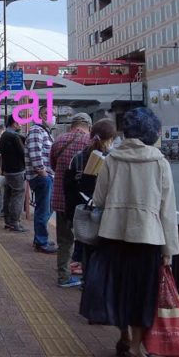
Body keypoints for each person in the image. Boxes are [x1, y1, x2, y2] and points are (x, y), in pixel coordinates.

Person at [79, 108, 178, 357]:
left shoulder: (113, 159)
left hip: (113, 233)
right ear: (150, 133)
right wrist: (169, 249)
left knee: (119, 287)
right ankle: (136, 348)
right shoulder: (159, 162)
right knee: (143, 293)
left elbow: (98, 200)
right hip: (147, 236)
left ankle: (123, 337)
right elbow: (167, 210)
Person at [64, 118, 116, 279]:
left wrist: (70, 214)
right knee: (103, 255)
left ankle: (87, 282)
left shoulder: (78, 157)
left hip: (82, 213)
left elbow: (69, 188)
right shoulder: (114, 160)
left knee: (86, 248)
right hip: (106, 215)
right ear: (110, 139)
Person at [49, 113, 92, 287]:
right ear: (88, 126)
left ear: (72, 125)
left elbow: (52, 165)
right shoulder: (90, 142)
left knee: (64, 241)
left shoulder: (59, 141)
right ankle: (87, 280)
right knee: (87, 241)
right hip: (84, 202)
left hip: (61, 198)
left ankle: (63, 276)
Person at [25, 117, 56, 252]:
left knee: (47, 208)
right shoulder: (36, 130)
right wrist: (42, 172)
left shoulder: (45, 132)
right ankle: (41, 241)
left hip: (45, 176)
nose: (51, 117)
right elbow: (35, 152)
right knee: (43, 209)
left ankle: (40, 239)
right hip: (42, 176)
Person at [0, 115, 28, 232]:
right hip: (17, 170)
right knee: (18, 194)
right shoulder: (14, 137)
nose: (20, 125)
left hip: (6, 170)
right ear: (15, 123)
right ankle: (15, 222)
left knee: (8, 195)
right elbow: (23, 153)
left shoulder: (4, 135)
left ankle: (8, 221)